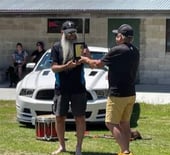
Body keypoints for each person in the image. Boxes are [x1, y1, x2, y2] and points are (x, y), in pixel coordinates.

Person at [79, 24, 140, 155]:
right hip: (130, 93)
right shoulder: (135, 50)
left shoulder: (117, 50)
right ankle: (126, 150)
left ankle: (125, 151)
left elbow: (97, 64)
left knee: (110, 123)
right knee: (124, 123)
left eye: (117, 35)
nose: (116, 38)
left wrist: (85, 59)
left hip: (117, 94)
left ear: (122, 37)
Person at [51, 20, 90, 155]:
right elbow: (54, 68)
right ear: (63, 33)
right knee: (59, 117)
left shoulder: (81, 45)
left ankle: (78, 147)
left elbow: (89, 63)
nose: (72, 35)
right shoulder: (56, 47)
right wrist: (67, 66)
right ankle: (62, 146)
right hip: (61, 88)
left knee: (79, 117)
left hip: (78, 88)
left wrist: (87, 55)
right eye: (69, 33)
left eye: (74, 32)